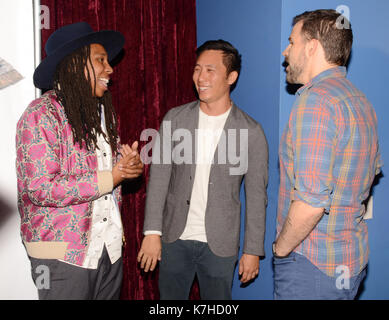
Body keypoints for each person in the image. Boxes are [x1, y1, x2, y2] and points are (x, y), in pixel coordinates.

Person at [16, 22, 144, 300]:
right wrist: (113, 177)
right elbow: (40, 188)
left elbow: (110, 177)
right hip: (61, 255)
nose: (110, 69)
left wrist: (128, 168)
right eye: (100, 60)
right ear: (74, 64)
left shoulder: (104, 114)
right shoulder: (41, 114)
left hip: (107, 249)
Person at [137, 40, 268, 300]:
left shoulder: (251, 131)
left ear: (231, 77)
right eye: (197, 69)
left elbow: (256, 196)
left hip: (220, 244)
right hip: (174, 239)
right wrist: (152, 232)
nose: (200, 77)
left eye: (210, 70)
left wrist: (252, 250)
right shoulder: (175, 119)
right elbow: (159, 179)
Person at [273, 9, 382, 300]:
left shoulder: (316, 101)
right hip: (348, 260)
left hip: (311, 263)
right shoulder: (359, 100)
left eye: (292, 42)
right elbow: (369, 175)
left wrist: (280, 250)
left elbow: (311, 202)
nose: (286, 52)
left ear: (311, 47)